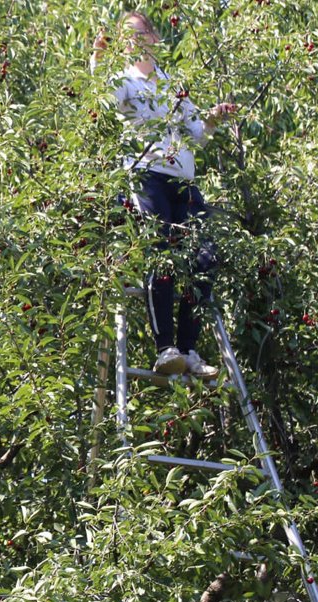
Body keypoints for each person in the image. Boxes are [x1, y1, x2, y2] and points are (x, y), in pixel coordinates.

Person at [101, 11, 237, 377]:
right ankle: (166, 350)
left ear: (153, 36)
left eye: (140, 31)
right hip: (147, 176)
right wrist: (97, 60)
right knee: (160, 253)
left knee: (205, 257)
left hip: (182, 181)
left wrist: (212, 117)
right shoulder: (123, 79)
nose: (135, 38)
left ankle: (189, 350)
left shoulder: (170, 82)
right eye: (128, 34)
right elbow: (102, 103)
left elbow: (195, 131)